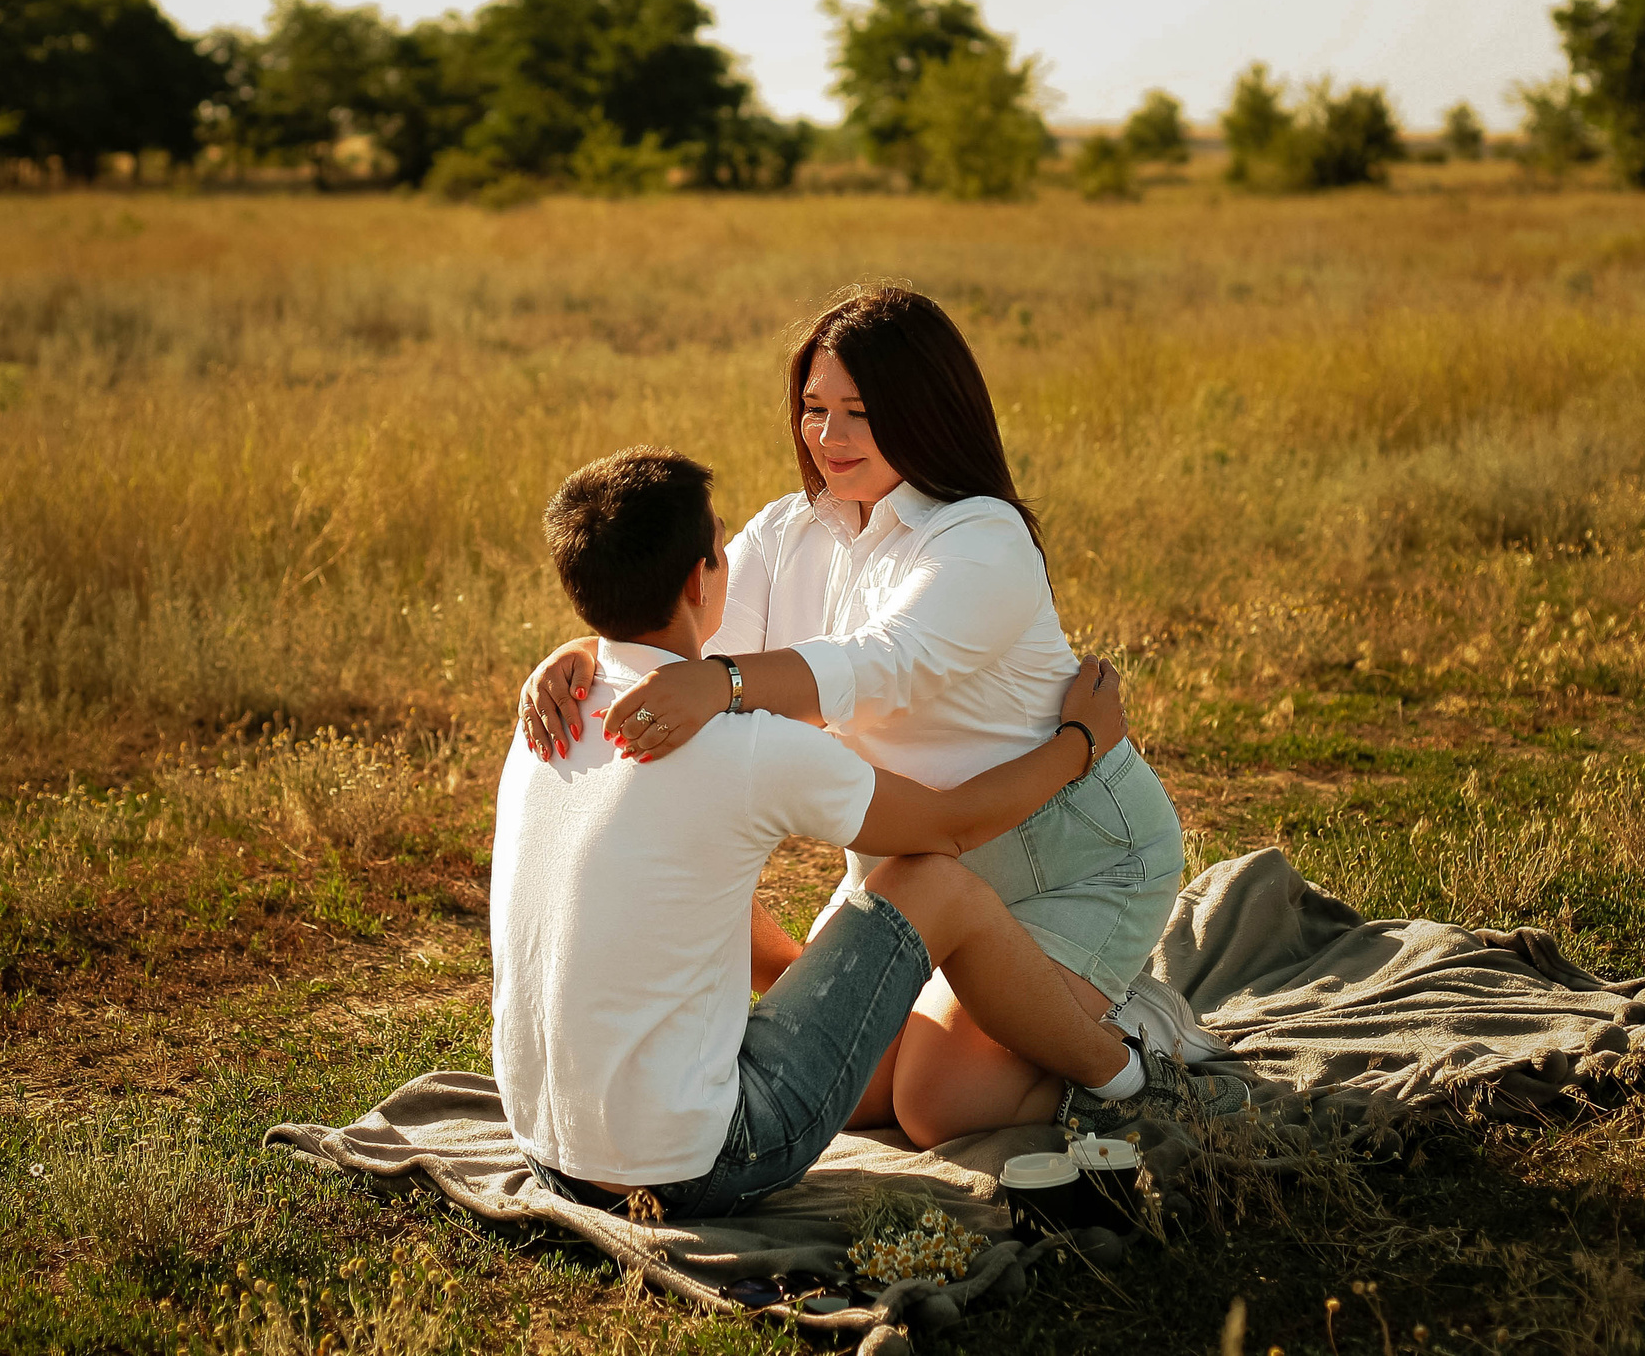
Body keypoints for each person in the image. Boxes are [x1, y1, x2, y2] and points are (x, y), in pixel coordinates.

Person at [494, 448, 1244, 1219]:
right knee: (931, 880)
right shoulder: (740, 743)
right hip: (702, 1165)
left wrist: (825, 992)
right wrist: (1080, 741)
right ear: (697, 579)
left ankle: (1056, 1010)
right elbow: (950, 829)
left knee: (713, 898)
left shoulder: (550, 714)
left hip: (552, 1154)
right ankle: (1130, 1076)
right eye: (722, 546)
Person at [517, 287, 1186, 1144]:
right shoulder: (785, 532)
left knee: (936, 1104)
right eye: (814, 408)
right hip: (908, 860)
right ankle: (988, 1003)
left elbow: (883, 663)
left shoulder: (983, 535)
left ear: (924, 409)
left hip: (1070, 858)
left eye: (860, 412)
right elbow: (687, 641)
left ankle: (1134, 1030)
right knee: (848, 1092)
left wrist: (723, 682)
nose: (829, 436)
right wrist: (582, 652)